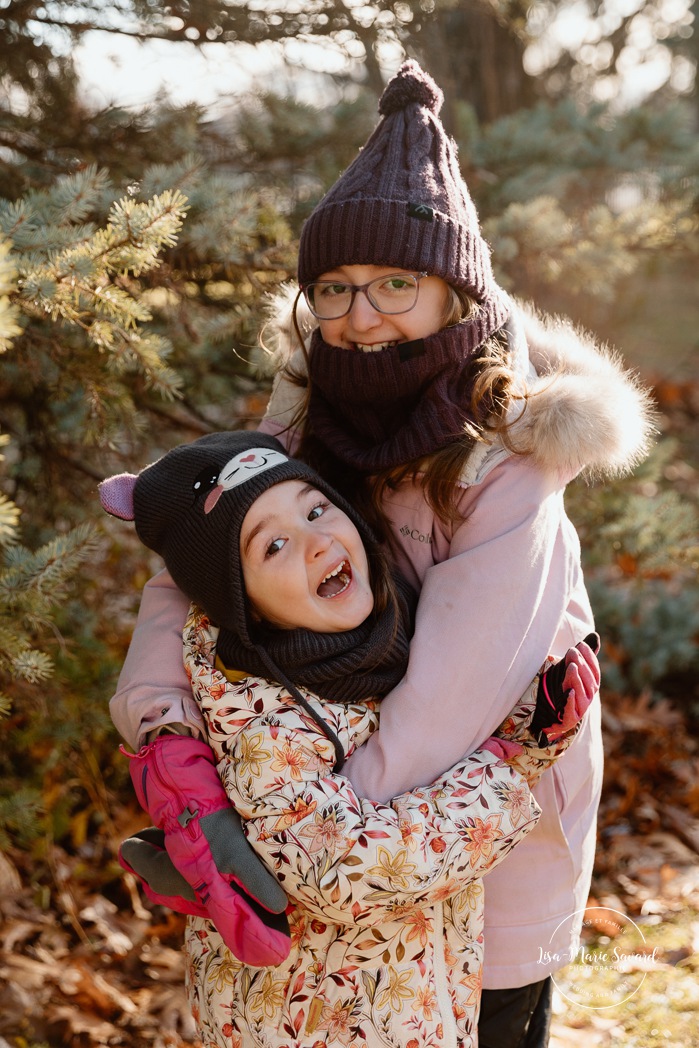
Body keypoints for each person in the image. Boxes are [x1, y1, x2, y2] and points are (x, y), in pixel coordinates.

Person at [109, 60, 655, 1046]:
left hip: (484, 820)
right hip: (335, 833)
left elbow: (457, 697)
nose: (361, 318)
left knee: (485, 1018)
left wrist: (276, 839)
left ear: (455, 292)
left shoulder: (509, 456)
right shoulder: (312, 396)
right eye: (334, 288)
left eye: (395, 284)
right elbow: (196, 555)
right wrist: (169, 738)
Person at [100, 430, 598, 1047]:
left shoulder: (376, 649)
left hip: (405, 1005)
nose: (315, 542)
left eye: (316, 510)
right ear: (240, 601)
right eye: (274, 545)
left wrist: (525, 725)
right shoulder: (261, 719)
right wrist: (506, 766)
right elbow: (348, 869)